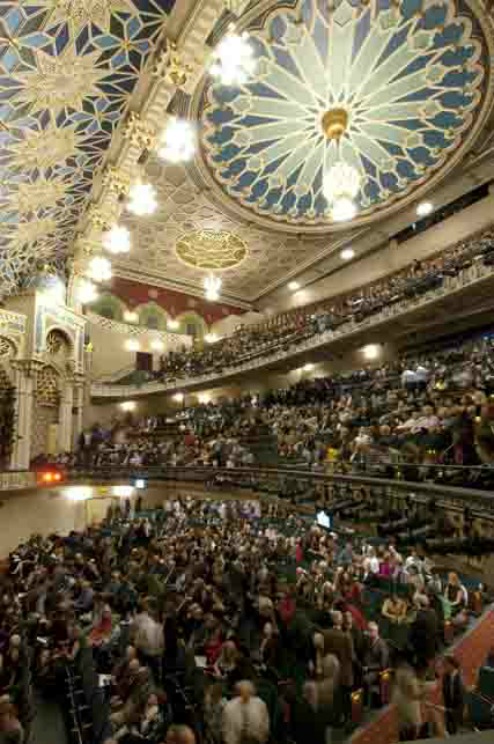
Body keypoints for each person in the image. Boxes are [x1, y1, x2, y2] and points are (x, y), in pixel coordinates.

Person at [222, 680, 269, 744]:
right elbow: (226, 726)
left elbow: (265, 722)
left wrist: (262, 737)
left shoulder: (259, 703)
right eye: (242, 691)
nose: (245, 694)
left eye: (248, 691)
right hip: (236, 740)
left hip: (255, 739)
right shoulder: (230, 706)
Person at [392, 665, 423, 741]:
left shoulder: (396, 690)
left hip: (403, 720)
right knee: (413, 733)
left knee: (404, 732)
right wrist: (424, 692)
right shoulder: (410, 681)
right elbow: (413, 695)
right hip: (411, 713)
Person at [442, 655, 465, 735]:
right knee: (450, 731)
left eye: (445, 665)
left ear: (451, 665)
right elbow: (445, 694)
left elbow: (461, 696)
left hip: (458, 709)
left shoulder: (460, 677)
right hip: (448, 709)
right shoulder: (445, 677)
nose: (443, 667)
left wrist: (458, 710)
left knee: (458, 731)